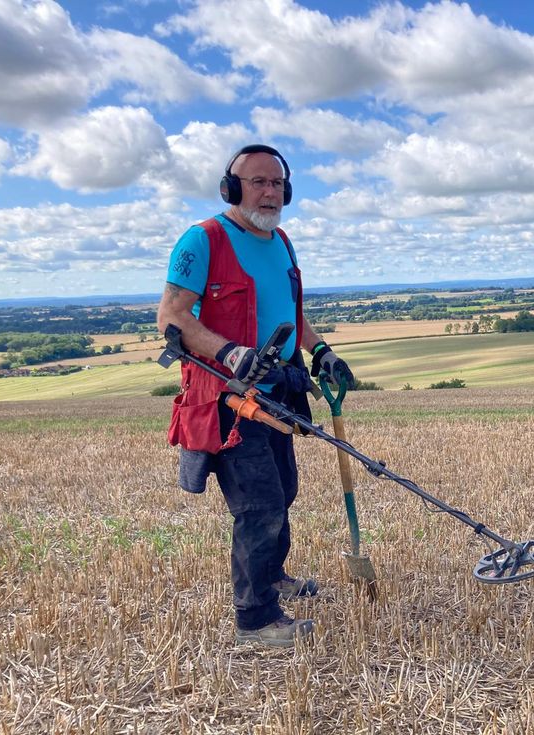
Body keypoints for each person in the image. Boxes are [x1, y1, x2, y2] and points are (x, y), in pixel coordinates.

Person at [157, 144, 355, 648]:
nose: (269, 192)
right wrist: (228, 353)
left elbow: (290, 312)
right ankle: (256, 618)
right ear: (232, 188)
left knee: (284, 491)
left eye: (277, 184)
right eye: (257, 182)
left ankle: (272, 574)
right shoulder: (202, 240)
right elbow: (173, 318)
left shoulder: (282, 241)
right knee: (259, 505)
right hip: (230, 399)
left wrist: (321, 350)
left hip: (280, 393)